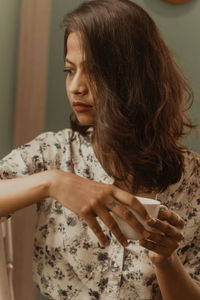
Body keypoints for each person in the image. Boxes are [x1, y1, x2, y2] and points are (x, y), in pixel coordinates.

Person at [0, 0, 200, 299]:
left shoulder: (193, 180)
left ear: (134, 76)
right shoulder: (53, 153)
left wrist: (166, 261)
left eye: (92, 71)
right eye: (70, 70)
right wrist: (53, 183)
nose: (75, 86)